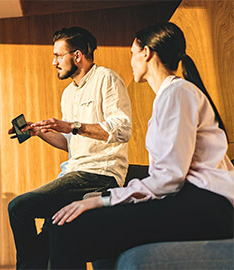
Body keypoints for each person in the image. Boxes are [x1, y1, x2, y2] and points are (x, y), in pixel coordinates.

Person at [47, 22, 234, 269]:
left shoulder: (179, 94)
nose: (131, 62)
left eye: (132, 54)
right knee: (90, 233)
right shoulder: (169, 97)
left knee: (66, 228)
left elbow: (169, 177)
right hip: (191, 198)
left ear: (146, 53)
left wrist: (102, 199)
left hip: (208, 205)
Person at [7, 27, 132, 269]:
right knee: (50, 240)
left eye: (57, 55)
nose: (54, 62)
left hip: (99, 175)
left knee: (18, 207)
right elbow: (70, 144)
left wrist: (71, 125)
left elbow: (122, 129)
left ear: (77, 56)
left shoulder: (107, 79)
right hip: (73, 173)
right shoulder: (68, 94)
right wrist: (37, 132)